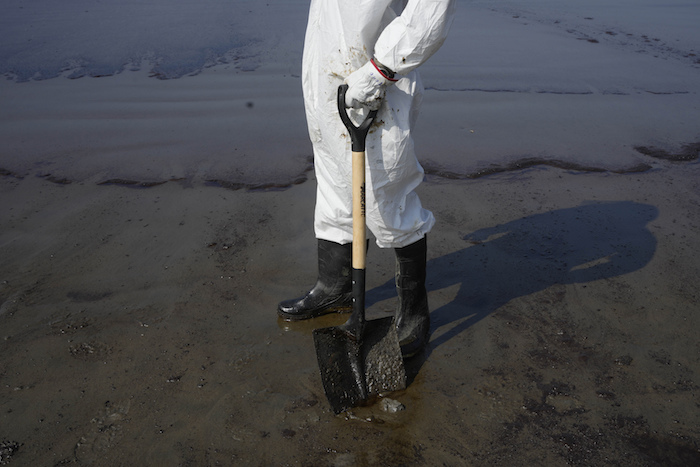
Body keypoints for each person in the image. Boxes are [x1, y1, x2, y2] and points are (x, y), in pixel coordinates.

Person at [278, 0, 456, 357]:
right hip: (325, 68)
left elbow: (431, 10)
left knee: (384, 191)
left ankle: (414, 312)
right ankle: (335, 287)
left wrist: (380, 70)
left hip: (374, 81)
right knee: (333, 182)